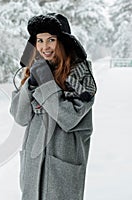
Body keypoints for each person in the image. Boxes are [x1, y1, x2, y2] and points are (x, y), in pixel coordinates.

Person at [10, 13, 97, 200]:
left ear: (63, 41)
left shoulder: (81, 74)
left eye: (51, 39)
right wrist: (31, 84)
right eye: (39, 40)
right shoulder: (33, 70)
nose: (44, 46)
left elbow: (69, 118)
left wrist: (46, 83)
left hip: (62, 165)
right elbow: (20, 117)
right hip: (33, 165)